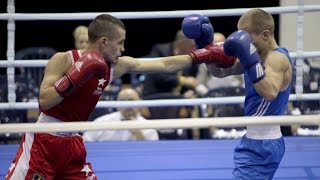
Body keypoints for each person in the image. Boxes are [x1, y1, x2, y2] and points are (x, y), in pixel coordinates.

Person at [6, 14, 235, 179]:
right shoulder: (64, 60)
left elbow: (164, 64)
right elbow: (45, 102)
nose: (123, 49)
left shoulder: (116, 65)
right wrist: (77, 76)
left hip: (74, 142)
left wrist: (201, 55)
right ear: (104, 42)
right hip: (43, 139)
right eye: (120, 43)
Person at [183, 9, 293, 179]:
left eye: (248, 37)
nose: (244, 42)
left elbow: (270, 92)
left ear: (265, 35)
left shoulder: (276, 58)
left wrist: (250, 61)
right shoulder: (257, 57)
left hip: (263, 142)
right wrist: (204, 47)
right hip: (256, 139)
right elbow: (219, 73)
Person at [82, 88, 159, 141]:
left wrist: (139, 135)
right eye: (123, 100)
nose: (127, 104)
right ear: (117, 105)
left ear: (140, 103)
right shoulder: (101, 122)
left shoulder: (149, 128)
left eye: (131, 100)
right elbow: (86, 143)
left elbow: (151, 155)